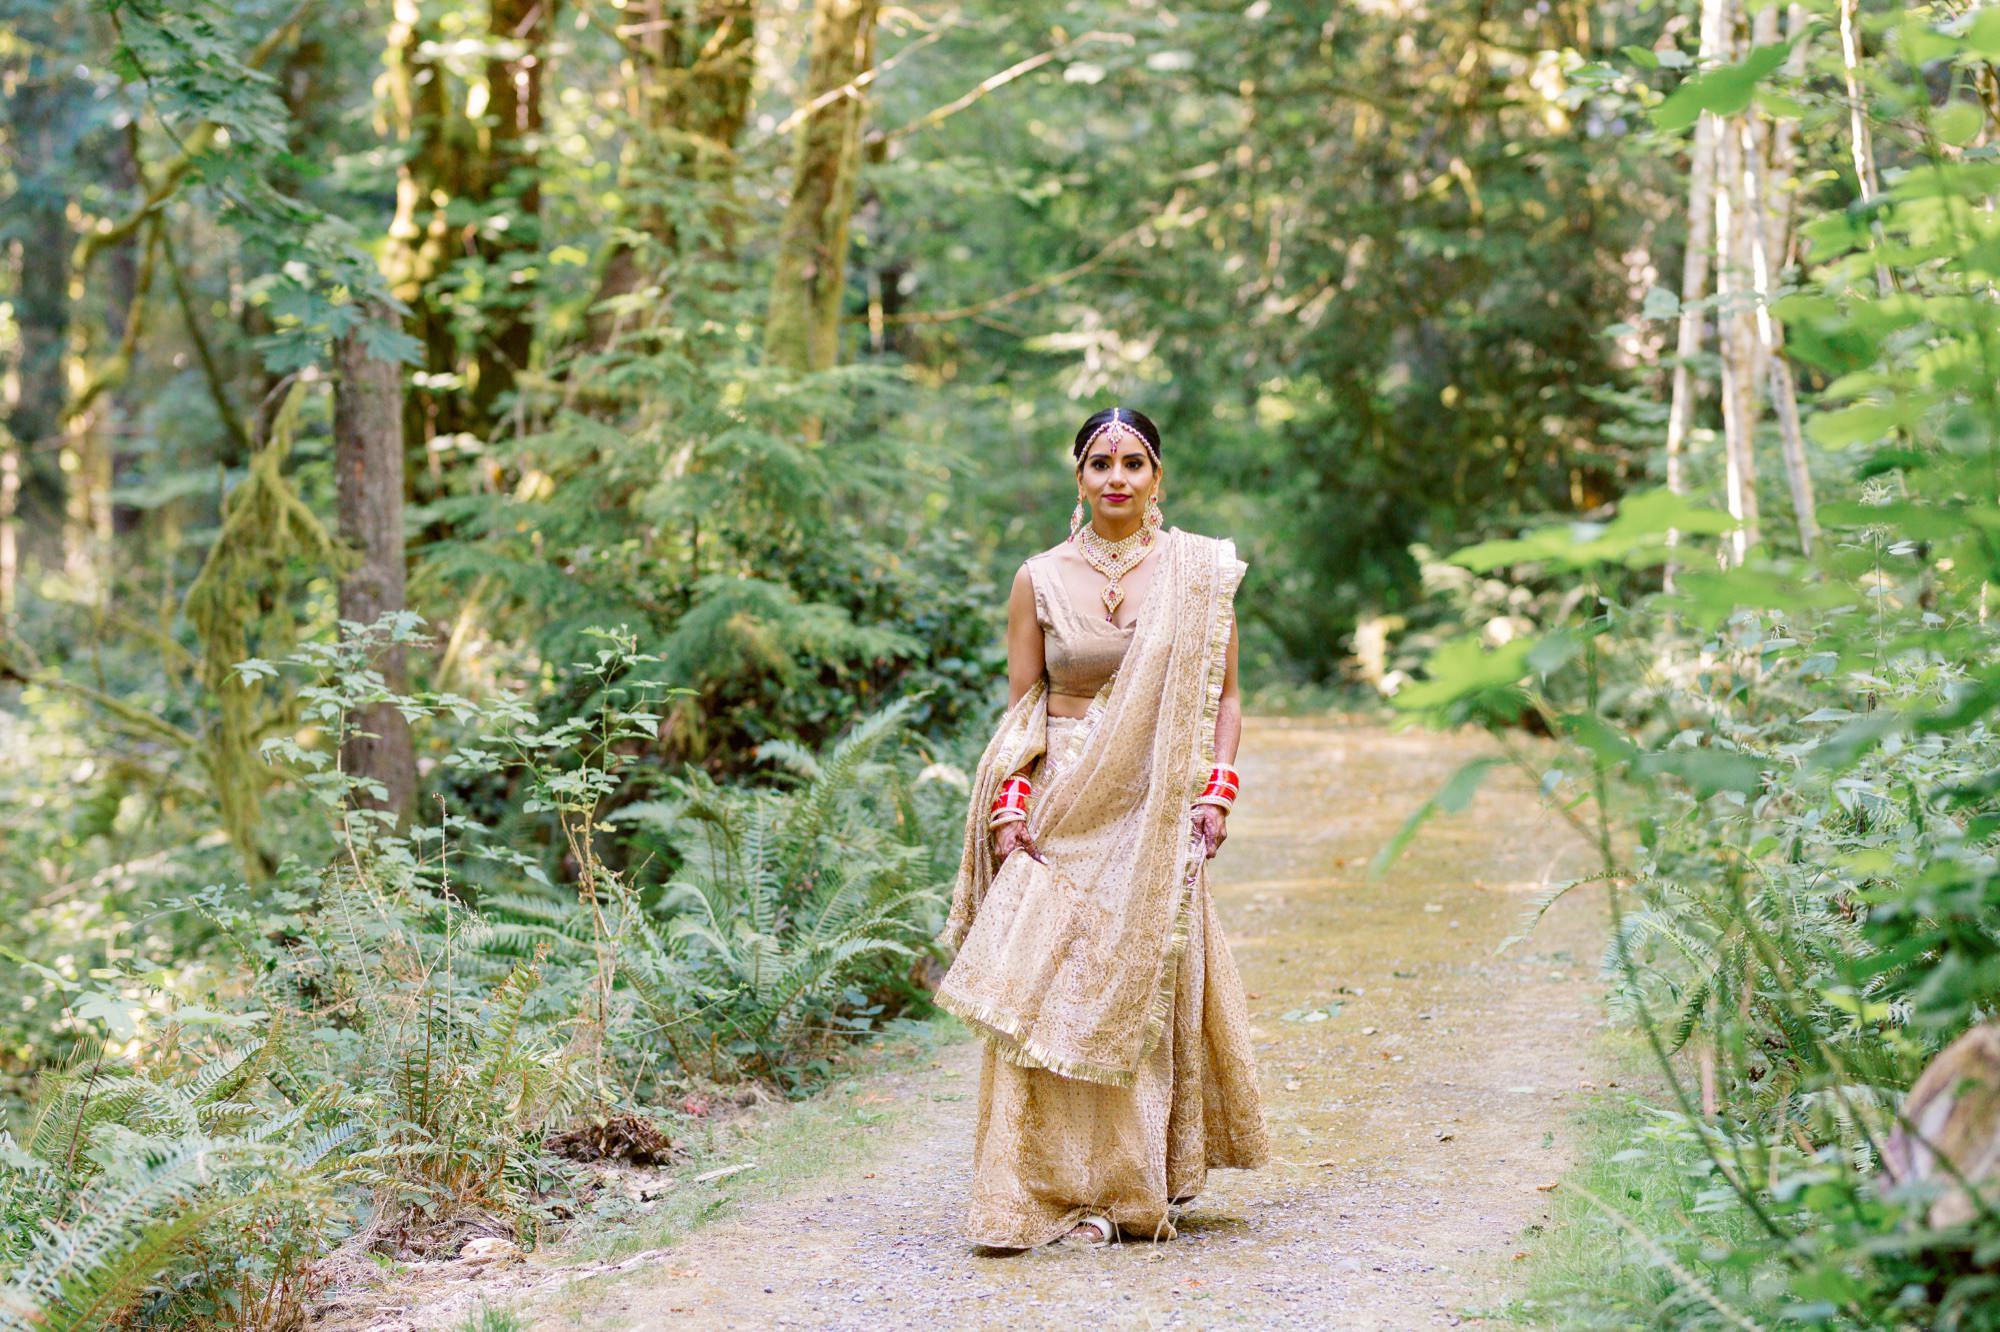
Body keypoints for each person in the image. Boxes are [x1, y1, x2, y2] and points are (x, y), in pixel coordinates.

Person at [935, 406, 1270, 1249]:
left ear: (1158, 476)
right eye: (1099, 463)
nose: (1116, 477)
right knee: (1046, 988)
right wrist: (1011, 809)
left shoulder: (1198, 574)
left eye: (1133, 462)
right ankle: (1036, 1188)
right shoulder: (1038, 577)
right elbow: (1025, 706)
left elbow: (1225, 697)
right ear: (1077, 476)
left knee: (1138, 982)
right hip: (1062, 802)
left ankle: (1133, 1185)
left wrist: (1214, 794)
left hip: (1157, 796)